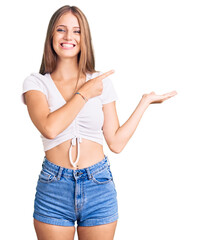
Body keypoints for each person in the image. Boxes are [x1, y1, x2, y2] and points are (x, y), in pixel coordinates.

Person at [21, 5, 177, 240]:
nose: (68, 37)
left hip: (98, 182)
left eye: (77, 31)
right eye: (61, 30)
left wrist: (144, 103)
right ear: (51, 35)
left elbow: (115, 142)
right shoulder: (36, 83)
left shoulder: (100, 82)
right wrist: (84, 93)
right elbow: (50, 128)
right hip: (54, 187)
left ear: (84, 38)